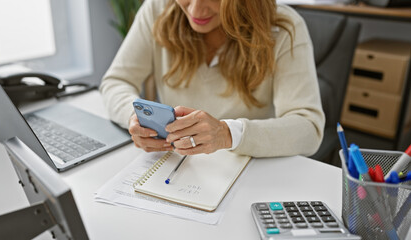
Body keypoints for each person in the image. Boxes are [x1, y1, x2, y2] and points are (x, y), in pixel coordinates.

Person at [100, 0, 325, 158]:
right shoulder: (157, 9)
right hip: (177, 166)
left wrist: (227, 134)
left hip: (249, 170)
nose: (196, 9)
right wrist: (136, 116)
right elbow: (116, 81)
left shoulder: (284, 27)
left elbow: (308, 128)